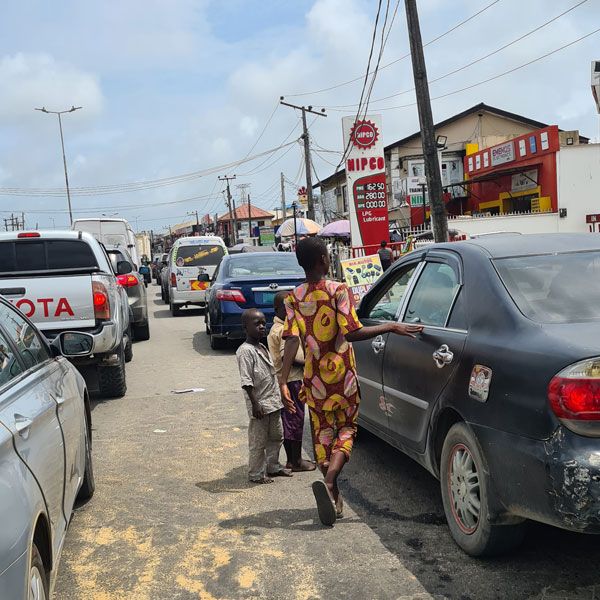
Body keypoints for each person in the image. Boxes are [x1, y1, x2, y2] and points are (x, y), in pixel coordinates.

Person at [279, 237, 422, 525]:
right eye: (327, 255)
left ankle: (332, 493)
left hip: (314, 381)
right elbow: (353, 332)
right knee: (346, 430)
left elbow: (292, 340)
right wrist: (391, 326)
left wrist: (282, 380)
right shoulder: (338, 290)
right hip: (343, 379)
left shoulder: (292, 297)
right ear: (322, 259)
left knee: (321, 436)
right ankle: (331, 480)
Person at [236, 308, 293, 484]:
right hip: (260, 404)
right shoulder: (245, 351)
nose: (262, 326)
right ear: (245, 327)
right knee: (258, 442)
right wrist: (255, 404)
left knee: (277, 436)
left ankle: (273, 466)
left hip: (273, 402)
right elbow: (246, 381)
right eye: (257, 324)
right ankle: (256, 474)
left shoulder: (261, 346)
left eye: (263, 323)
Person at [267, 291, 316, 473]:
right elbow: (288, 356)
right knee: (294, 420)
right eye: (287, 308)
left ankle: (294, 459)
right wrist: (312, 361)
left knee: (292, 419)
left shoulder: (283, 327)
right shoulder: (282, 330)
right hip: (292, 379)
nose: (291, 311)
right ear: (277, 309)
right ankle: (294, 461)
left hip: (288, 379)